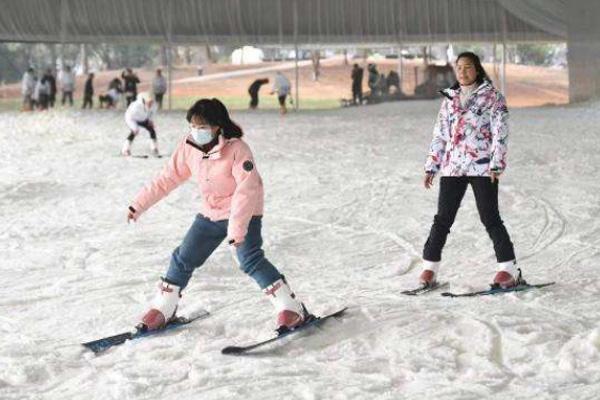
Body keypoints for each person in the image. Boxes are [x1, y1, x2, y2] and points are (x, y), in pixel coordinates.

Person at [127, 98, 308, 332]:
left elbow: (247, 189)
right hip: (211, 212)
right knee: (184, 257)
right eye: (193, 125)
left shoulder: (237, 149)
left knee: (249, 258)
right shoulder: (188, 146)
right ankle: (164, 307)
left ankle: (291, 308)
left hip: (243, 212)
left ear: (217, 126)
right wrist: (138, 205)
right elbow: (167, 179)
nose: (196, 131)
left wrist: (236, 231)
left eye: (202, 126)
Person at [420, 51, 517, 289]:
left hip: (482, 166)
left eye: (468, 67)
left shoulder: (493, 97)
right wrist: (432, 165)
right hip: (453, 166)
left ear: (477, 69)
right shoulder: (450, 99)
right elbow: (440, 135)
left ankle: (507, 269)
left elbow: (500, 133)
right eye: (459, 67)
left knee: (490, 217)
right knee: (443, 219)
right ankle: (429, 268)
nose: (462, 72)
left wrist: (497, 163)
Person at [120, 92, 159, 156]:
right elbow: (129, 115)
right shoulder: (136, 106)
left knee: (152, 130)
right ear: (144, 101)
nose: (150, 104)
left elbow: (152, 114)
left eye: (151, 102)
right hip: (132, 119)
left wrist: (150, 120)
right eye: (148, 102)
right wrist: (134, 127)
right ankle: (125, 149)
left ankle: (154, 148)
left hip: (143, 118)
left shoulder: (154, 105)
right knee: (135, 131)